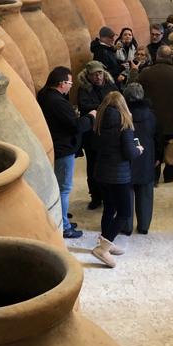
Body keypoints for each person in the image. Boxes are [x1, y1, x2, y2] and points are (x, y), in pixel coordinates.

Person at [37, 66, 94, 239]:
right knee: (64, 188)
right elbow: (75, 127)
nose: (71, 86)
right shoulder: (57, 102)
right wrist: (90, 117)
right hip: (63, 148)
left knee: (57, 185)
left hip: (55, 146)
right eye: (70, 83)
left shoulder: (44, 94)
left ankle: (60, 216)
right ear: (61, 83)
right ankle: (64, 226)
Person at [91, 91, 143, 268]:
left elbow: (94, 145)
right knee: (124, 212)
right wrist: (138, 150)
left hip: (101, 172)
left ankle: (106, 241)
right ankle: (103, 249)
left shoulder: (98, 122)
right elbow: (129, 153)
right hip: (118, 175)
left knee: (109, 208)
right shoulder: (124, 123)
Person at [136, 47, 173, 184]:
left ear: (157, 56)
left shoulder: (145, 73)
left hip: (151, 118)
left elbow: (137, 92)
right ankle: (169, 175)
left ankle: (154, 176)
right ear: (171, 57)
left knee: (153, 148)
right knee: (172, 147)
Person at [77, 60, 119, 210]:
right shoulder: (84, 89)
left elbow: (119, 102)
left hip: (109, 133)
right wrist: (105, 106)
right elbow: (84, 107)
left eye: (100, 73)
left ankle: (109, 196)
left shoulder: (111, 85)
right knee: (93, 167)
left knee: (109, 166)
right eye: (94, 74)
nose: (98, 77)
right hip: (92, 135)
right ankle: (95, 196)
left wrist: (100, 107)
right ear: (88, 76)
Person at [123, 83, 156, 235]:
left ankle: (126, 226)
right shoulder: (151, 115)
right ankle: (144, 226)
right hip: (146, 158)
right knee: (146, 194)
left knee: (126, 193)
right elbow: (157, 137)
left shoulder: (122, 115)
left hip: (126, 158)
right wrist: (158, 157)